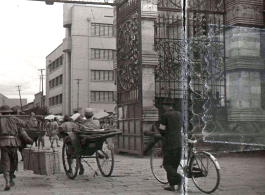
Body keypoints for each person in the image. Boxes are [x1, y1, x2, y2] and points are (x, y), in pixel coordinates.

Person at [0, 105, 34, 191]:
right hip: (13, 143)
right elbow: (27, 125)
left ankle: (7, 181)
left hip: (3, 143)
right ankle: (10, 179)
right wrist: (31, 116)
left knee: (5, 162)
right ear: (9, 112)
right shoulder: (14, 118)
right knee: (14, 161)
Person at [158, 97, 183, 192]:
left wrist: (163, 135)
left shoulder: (165, 115)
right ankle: (172, 185)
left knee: (167, 164)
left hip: (169, 144)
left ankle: (179, 178)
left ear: (165, 106)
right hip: (179, 143)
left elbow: (162, 130)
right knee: (174, 165)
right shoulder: (179, 114)